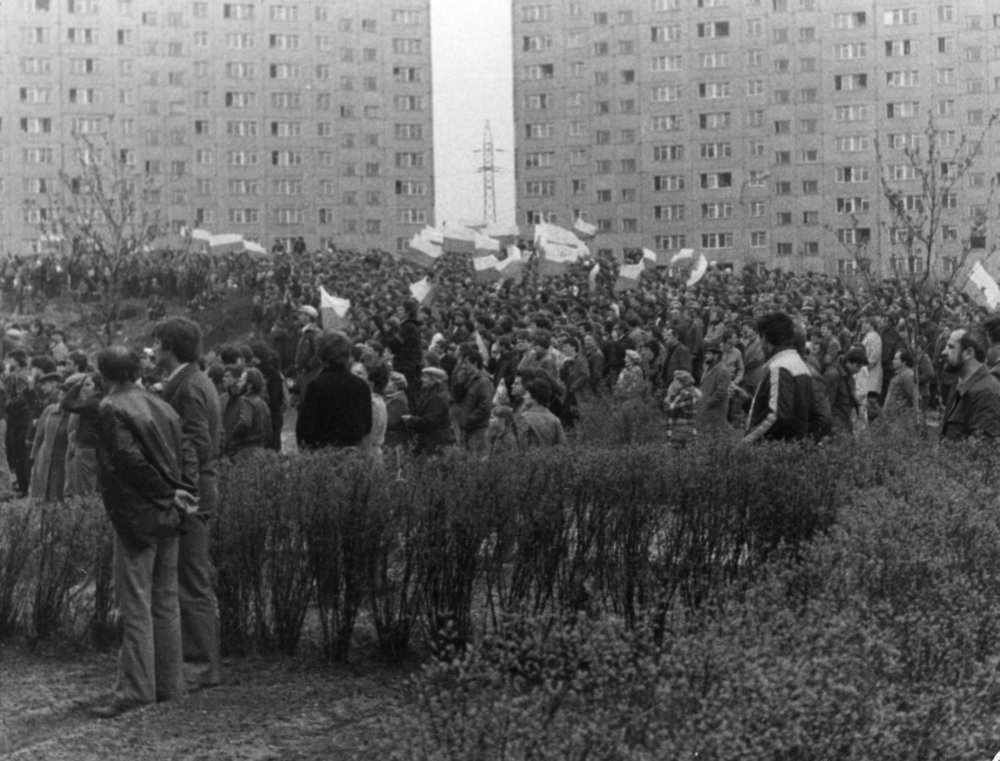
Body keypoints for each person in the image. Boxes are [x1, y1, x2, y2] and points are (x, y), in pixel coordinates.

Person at [91, 347, 198, 718]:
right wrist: (179, 493)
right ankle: (170, 686)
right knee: (165, 601)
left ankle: (136, 691)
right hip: (170, 513)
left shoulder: (111, 407)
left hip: (138, 516)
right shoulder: (162, 404)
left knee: (135, 604)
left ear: (103, 373)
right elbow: (187, 453)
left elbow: (128, 459)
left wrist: (166, 493)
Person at [151, 317, 222, 693]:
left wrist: (185, 493)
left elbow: (196, 444)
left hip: (190, 494)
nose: (153, 351)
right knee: (188, 579)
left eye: (157, 344)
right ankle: (194, 661)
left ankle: (202, 666)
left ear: (169, 346)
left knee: (191, 581)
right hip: (192, 490)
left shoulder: (189, 385)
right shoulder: (192, 379)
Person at [744, 312, 817, 444]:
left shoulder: (779, 368)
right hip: (793, 446)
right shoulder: (798, 363)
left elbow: (777, 416)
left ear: (764, 337)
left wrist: (748, 440)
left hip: (774, 448)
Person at [296, 331, 373, 450]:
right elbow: (367, 427)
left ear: (321, 356)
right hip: (354, 453)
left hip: (325, 453)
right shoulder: (362, 385)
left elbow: (305, 430)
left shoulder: (317, 387)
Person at [940, 325, 1000, 440]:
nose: (944, 352)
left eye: (951, 347)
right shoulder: (961, 386)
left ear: (968, 353)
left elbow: (983, 447)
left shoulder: (986, 393)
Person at [403, 366, 454, 455]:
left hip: (436, 441)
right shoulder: (430, 393)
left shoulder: (438, 397)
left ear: (433, 379)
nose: (422, 380)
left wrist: (411, 419)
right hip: (430, 439)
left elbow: (430, 421)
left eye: (425, 377)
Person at [823, 345, 867, 436]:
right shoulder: (834, 375)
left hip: (844, 423)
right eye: (857, 366)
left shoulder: (848, 377)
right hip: (834, 426)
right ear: (848, 362)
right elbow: (826, 404)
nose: (858, 370)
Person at [511, 378, 565, 448]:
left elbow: (522, 445)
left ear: (534, 397)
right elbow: (563, 444)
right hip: (551, 454)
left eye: (526, 394)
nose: (524, 397)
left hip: (532, 454)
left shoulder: (524, 418)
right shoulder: (555, 418)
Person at [696, 341, 732, 435]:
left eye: (708, 353)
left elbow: (721, 393)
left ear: (716, 355)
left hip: (715, 413)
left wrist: (707, 403)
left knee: (713, 436)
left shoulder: (723, 371)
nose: (705, 355)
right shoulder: (708, 367)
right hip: (706, 412)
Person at [882, 349, 919, 421]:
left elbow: (914, 397)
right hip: (892, 415)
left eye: (896, 359)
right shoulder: (898, 374)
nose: (893, 361)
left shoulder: (907, 375)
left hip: (899, 417)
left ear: (904, 362)